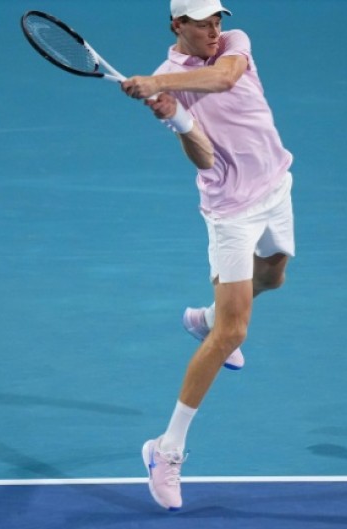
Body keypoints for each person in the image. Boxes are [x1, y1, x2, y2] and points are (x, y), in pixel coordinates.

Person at [120, 0, 295, 512]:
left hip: (276, 186)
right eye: (203, 22)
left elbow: (224, 79)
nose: (215, 29)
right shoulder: (165, 78)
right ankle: (166, 450)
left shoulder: (234, 48)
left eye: (218, 19)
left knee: (276, 276)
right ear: (178, 25)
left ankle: (208, 317)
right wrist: (175, 117)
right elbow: (203, 155)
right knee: (235, 333)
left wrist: (164, 88)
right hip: (231, 211)